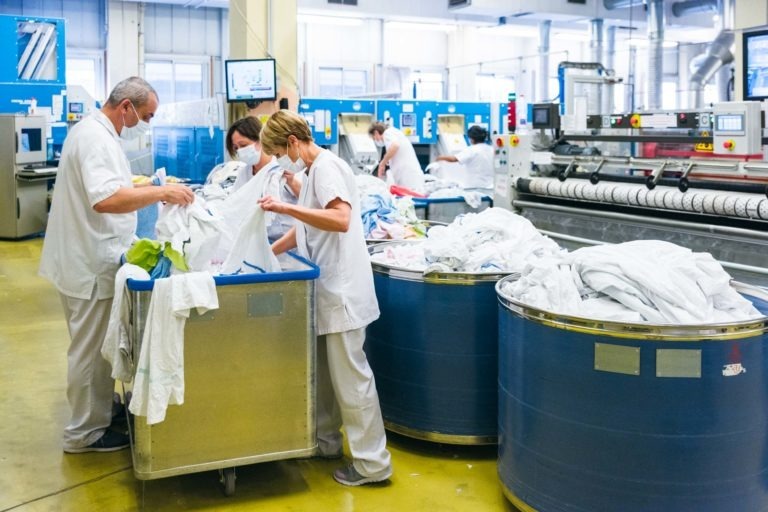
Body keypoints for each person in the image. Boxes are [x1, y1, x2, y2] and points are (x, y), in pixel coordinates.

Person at [39, 76, 195, 454]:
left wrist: (142, 184)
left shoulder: (97, 134)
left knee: (93, 348)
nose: (147, 123)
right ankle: (85, 434)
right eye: (146, 115)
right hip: (88, 263)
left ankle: (100, 412)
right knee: (89, 352)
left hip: (85, 257)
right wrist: (161, 192)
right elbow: (105, 198)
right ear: (125, 107)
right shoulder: (95, 137)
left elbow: (110, 184)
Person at [258, 110, 392, 486]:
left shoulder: (328, 167)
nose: (282, 161)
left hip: (344, 292)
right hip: (330, 289)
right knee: (327, 378)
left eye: (279, 152)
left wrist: (283, 206)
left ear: (293, 143)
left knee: (352, 380)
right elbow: (306, 227)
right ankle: (326, 441)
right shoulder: (312, 173)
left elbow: (340, 219)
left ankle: (372, 464)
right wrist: (267, 252)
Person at [225, 116, 298, 239]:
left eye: (243, 145)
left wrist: (292, 181)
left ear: (260, 140)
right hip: (260, 239)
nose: (240, 151)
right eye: (236, 148)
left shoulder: (283, 167)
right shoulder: (245, 172)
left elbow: (309, 201)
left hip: (289, 242)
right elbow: (234, 204)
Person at [368, 121, 425, 193]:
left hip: (408, 177)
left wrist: (382, 163)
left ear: (376, 132)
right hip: (409, 176)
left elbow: (395, 146)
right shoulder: (395, 133)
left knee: (410, 200)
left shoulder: (388, 133)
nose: (376, 140)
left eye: (374, 138)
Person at [434, 125, 494, 190]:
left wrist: (440, 157)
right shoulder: (491, 149)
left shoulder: (471, 150)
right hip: (490, 186)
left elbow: (454, 159)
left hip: (474, 186)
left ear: (471, 139)